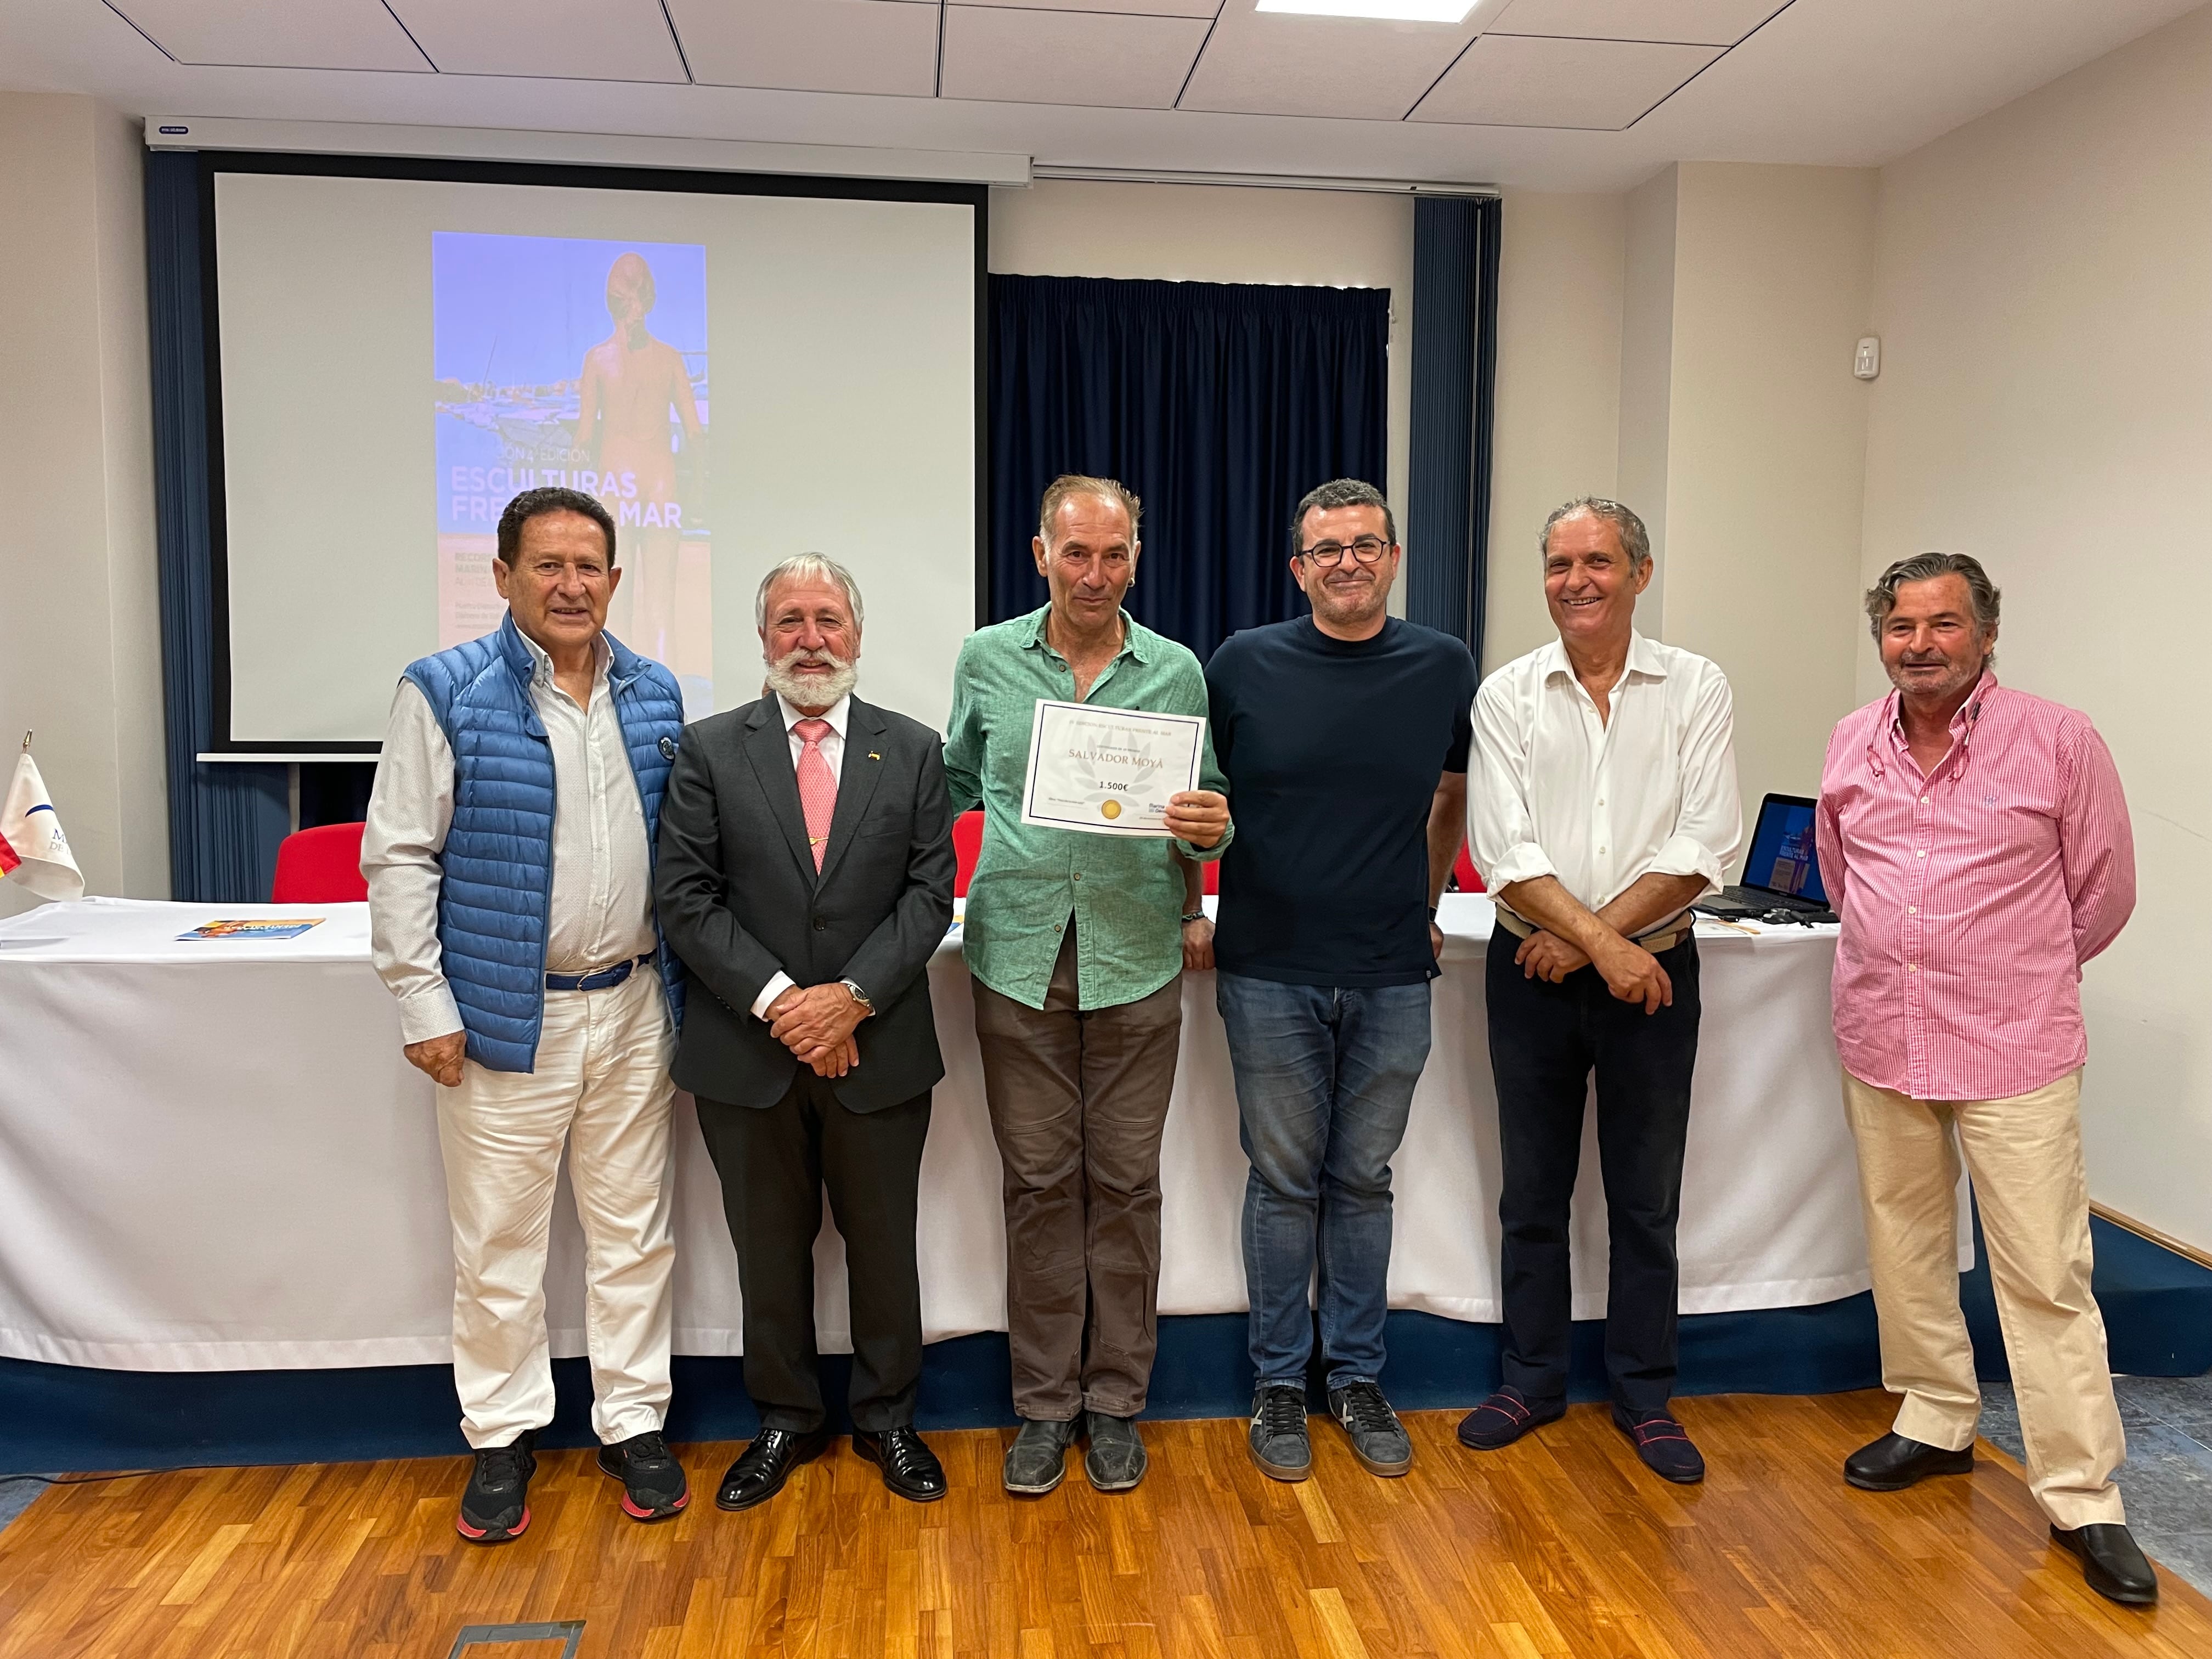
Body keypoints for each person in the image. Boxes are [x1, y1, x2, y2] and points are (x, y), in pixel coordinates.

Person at [1818, 552, 2153, 1606]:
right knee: (1905, 1241)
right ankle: (1932, 1416)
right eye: (1900, 626)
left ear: (1987, 632)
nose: (1920, 644)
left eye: (1943, 624)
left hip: (2012, 1045)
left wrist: (2013, 969)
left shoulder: (2057, 738)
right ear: (1880, 636)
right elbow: (1839, 873)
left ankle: (2081, 1492)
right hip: (1884, 1035)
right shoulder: (1849, 742)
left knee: (2045, 1271)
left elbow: (2101, 892)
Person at [362, 485, 690, 1543]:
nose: (569, 584)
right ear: (501, 575)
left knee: (633, 1233)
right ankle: (501, 1436)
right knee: (499, 1242)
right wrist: (424, 1000)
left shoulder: (655, 692)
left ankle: (633, 1419)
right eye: (545, 564)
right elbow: (400, 852)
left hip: (635, 1003)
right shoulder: (444, 689)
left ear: (615, 579)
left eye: (587, 565)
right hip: (507, 1016)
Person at [945, 474, 1232, 1496]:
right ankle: (1042, 1405)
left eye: (1114, 555)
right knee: (1035, 1187)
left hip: (1136, 956)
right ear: (1040, 553)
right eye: (1077, 553)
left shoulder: (1177, 671)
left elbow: (1210, 804)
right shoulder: (986, 658)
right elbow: (951, 781)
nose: (1095, 574)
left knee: (1124, 1185)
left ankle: (1113, 1402)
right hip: (1016, 956)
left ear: (1135, 560)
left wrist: (1212, 836)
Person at [654, 554, 956, 1511]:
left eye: (828, 618)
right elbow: (685, 896)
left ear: (857, 636)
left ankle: (888, 1416)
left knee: (883, 1243)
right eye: (790, 619)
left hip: (879, 1042)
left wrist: (851, 996)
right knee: (767, 1248)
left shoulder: (912, 748)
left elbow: (927, 894)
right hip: (750, 1052)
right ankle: (784, 1414)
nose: (811, 637)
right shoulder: (707, 749)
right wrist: (789, 1000)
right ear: (763, 638)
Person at [1199, 478, 1476, 1483]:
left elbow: (1450, 792)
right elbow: (1199, 797)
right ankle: (1279, 1382)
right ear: (1298, 568)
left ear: (1392, 557)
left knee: (1362, 1181)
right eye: (1327, 549)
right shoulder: (1242, 661)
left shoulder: (1442, 664)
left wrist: (1432, 898)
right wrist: (1195, 902)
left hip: (1394, 968)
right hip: (1268, 966)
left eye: (1366, 544)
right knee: (1282, 1182)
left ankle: (1355, 1376)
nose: (1347, 561)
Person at [1460, 496, 1740, 1485]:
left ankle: (1644, 1392)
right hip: (1532, 971)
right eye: (1557, 563)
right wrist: (1602, 945)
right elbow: (1500, 846)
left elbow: (1705, 840)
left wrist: (1594, 944)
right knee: (1531, 1191)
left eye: (1597, 561)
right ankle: (1529, 1379)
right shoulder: (1506, 693)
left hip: (1653, 976)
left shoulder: (1695, 686)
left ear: (1640, 572)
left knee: (1645, 1197)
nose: (1575, 580)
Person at [578, 251, 704, 670]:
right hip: (652, 485)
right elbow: (695, 433)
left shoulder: (600, 359)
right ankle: (664, 704)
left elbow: (583, 437)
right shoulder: (664, 359)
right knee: (649, 606)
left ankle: (632, 701)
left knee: (623, 606)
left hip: (621, 485)